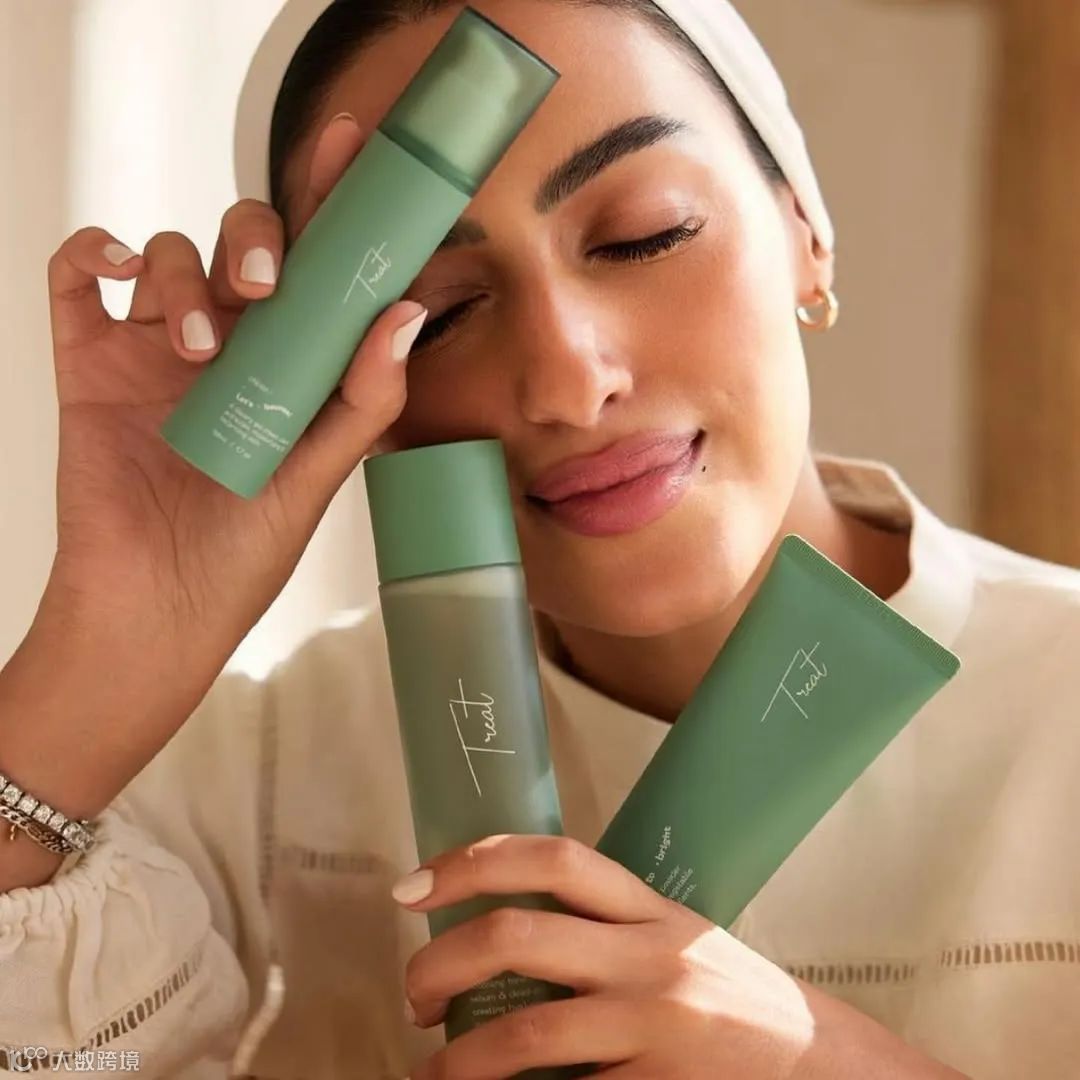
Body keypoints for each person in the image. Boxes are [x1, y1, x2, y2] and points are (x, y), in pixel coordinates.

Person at [2, 0, 1078, 1076]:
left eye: (644, 234)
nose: (568, 378)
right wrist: (117, 630)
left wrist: (831, 1062)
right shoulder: (257, 784)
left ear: (806, 232)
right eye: (439, 310)